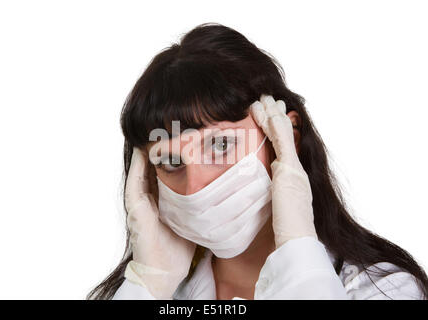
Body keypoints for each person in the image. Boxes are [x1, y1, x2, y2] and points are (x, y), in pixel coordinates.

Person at [88, 23, 428, 300]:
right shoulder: (150, 296)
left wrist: (298, 254)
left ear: (284, 139)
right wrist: (148, 286)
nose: (194, 186)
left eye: (220, 145)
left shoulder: (385, 290)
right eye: (171, 161)